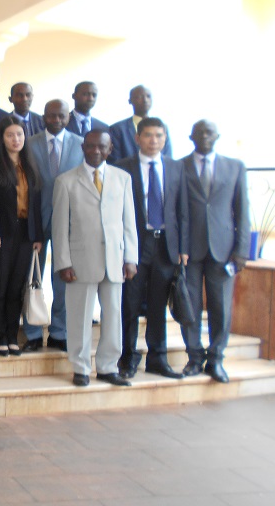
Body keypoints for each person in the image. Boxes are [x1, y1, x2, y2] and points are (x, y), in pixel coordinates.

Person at [52, 129, 137, 387]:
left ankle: (108, 366)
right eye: (90, 146)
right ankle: (80, 367)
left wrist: (130, 257)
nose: (95, 151)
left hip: (114, 260)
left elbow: (128, 221)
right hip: (80, 261)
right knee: (79, 317)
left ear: (110, 149)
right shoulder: (66, 181)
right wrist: (63, 262)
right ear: (83, 148)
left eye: (101, 146)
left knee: (113, 316)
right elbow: (59, 227)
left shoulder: (123, 179)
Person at [114, 117, 189, 380]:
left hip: (166, 246)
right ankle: (127, 358)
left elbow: (183, 210)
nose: (153, 140)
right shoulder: (123, 168)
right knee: (130, 304)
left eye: (159, 135)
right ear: (138, 138)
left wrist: (183, 247)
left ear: (165, 139)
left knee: (158, 305)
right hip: (135, 244)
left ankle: (158, 358)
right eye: (148, 135)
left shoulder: (176, 167)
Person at [180, 120, 250, 383]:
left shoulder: (235, 167)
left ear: (217, 136)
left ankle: (217, 358)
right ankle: (194, 358)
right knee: (190, 306)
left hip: (224, 250)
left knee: (221, 307)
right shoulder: (180, 166)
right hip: (189, 250)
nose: (204, 136)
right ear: (191, 136)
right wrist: (178, 248)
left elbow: (243, 210)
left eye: (209, 132)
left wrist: (242, 250)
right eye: (199, 132)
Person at [22, 99, 83, 353]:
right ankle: (33, 332)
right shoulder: (30, 143)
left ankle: (59, 331)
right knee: (32, 277)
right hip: (36, 220)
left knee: (63, 279)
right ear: (43, 116)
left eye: (61, 116)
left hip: (69, 223)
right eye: (51, 116)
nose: (56, 120)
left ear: (68, 117)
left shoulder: (81, 145)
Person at [0, 117, 43, 356]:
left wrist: (37, 236)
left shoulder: (30, 165)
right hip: (1, 235)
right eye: (10, 135)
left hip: (26, 235)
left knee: (18, 287)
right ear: (2, 138)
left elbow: (36, 204)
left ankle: (11, 336)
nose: (16, 139)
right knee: (0, 285)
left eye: (19, 134)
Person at [109, 85, 172, 162]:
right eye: (139, 97)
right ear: (130, 101)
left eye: (148, 96)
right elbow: (115, 161)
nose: (145, 100)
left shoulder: (162, 127)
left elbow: (168, 158)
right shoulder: (118, 129)